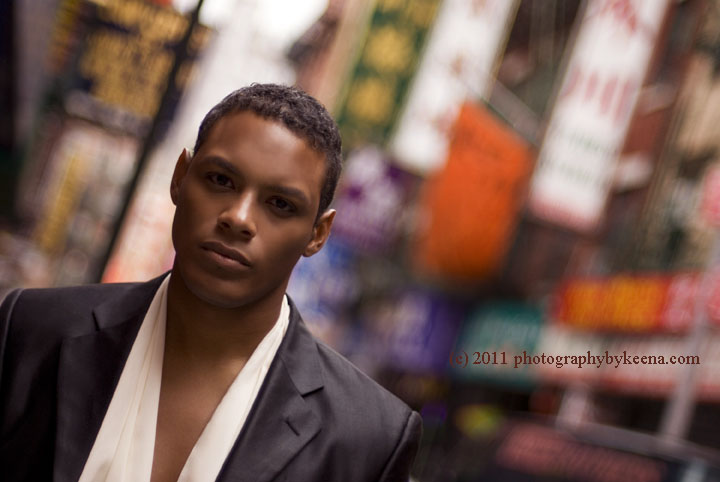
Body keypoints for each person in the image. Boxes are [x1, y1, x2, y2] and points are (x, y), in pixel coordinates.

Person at [0, 83, 422, 481]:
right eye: (221, 180)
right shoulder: (34, 329)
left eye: (280, 204)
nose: (238, 218)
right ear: (180, 176)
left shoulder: (367, 436)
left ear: (318, 233)